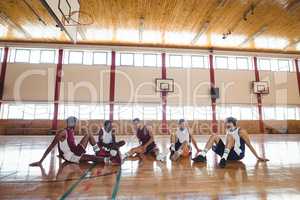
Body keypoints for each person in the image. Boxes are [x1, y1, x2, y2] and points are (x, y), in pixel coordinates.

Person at [192, 117, 269, 168]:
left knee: (230, 137)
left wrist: (258, 157)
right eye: (226, 123)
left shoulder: (241, 131)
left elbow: (249, 145)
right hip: (228, 153)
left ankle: (223, 159)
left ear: (233, 123)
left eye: (229, 123)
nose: (227, 124)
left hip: (237, 154)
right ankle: (202, 156)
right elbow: (228, 145)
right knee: (214, 135)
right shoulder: (228, 131)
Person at [29, 116, 105, 166]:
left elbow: (62, 145)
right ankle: (100, 153)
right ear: (73, 123)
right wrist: (41, 161)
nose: (76, 124)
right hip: (73, 156)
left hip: (74, 153)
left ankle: (100, 154)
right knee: (89, 136)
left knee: (94, 158)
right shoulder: (63, 132)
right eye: (75, 123)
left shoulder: (70, 131)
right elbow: (51, 146)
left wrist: (61, 154)